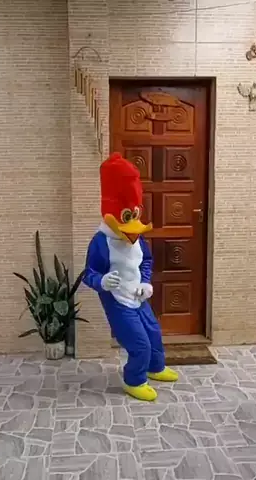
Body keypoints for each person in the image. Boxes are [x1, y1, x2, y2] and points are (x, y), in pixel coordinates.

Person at [83, 152, 178, 401]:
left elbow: (145, 260)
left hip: (138, 297)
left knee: (153, 332)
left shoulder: (137, 237)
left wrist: (145, 281)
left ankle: (155, 367)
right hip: (118, 301)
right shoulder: (101, 242)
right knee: (139, 343)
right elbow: (88, 273)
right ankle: (134, 380)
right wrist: (102, 282)